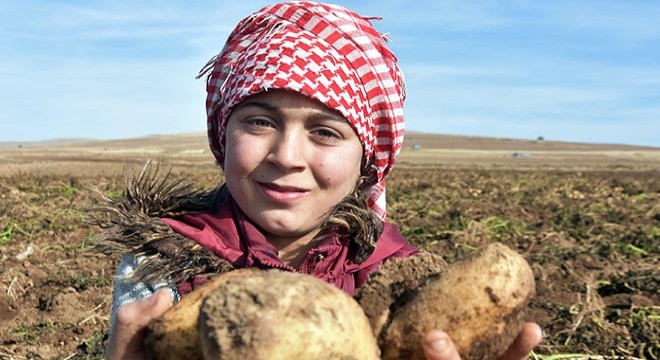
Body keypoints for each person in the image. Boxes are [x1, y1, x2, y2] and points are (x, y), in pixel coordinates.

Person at [98, 2, 542, 359]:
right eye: (258, 123)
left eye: (325, 132)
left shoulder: (399, 281)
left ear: (366, 160)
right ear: (223, 135)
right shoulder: (163, 267)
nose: (287, 157)